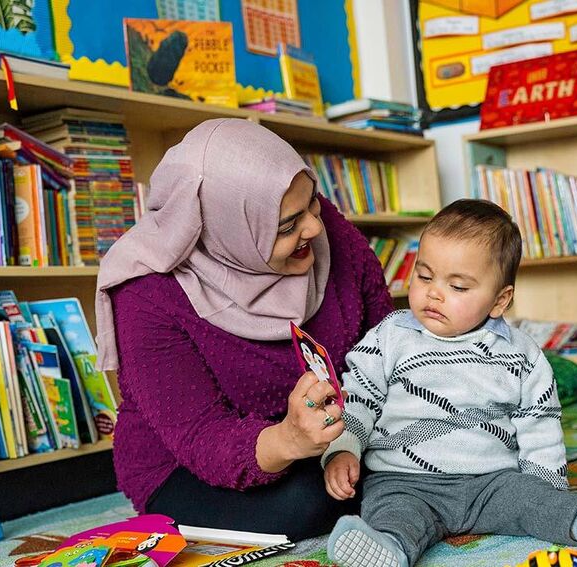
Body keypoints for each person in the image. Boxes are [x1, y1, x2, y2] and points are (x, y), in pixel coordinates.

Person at [93, 118, 393, 540]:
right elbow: (201, 435)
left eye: (314, 203)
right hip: (191, 464)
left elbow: (389, 342)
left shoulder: (331, 234)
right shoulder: (146, 294)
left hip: (342, 432)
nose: (315, 228)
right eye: (287, 225)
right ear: (227, 227)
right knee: (316, 502)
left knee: (434, 458)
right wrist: (289, 440)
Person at [320, 200, 577, 567]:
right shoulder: (390, 335)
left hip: (492, 482)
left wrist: (547, 491)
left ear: (499, 300)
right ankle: (390, 550)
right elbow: (359, 395)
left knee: (533, 502)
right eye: (424, 276)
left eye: (458, 286)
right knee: (394, 515)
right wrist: (343, 449)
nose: (434, 292)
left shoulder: (519, 353)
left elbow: (539, 424)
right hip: (404, 480)